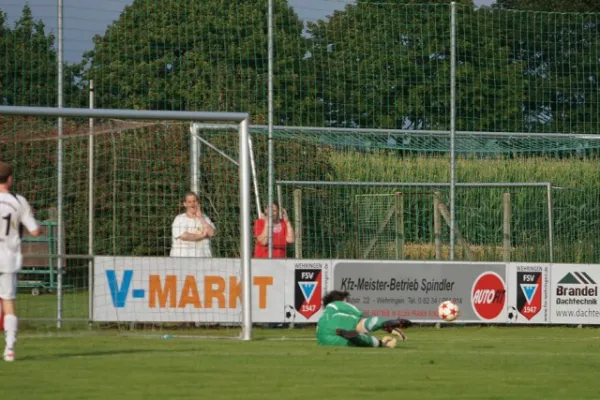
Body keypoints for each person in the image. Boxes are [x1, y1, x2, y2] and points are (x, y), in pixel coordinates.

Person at [0, 161, 41, 362]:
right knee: (8, 302)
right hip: (7, 259)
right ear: (10, 179)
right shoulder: (18, 201)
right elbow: (35, 230)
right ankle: (9, 349)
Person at [316, 290, 412, 348]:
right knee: (362, 325)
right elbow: (364, 317)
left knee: (359, 339)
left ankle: (382, 344)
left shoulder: (324, 315)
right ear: (343, 300)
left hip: (323, 339)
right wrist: (383, 324)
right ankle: (375, 340)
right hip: (337, 327)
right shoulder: (338, 304)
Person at [170, 192, 216, 257]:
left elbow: (211, 233)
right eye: (189, 202)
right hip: (182, 260)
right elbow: (184, 236)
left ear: (198, 203)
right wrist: (202, 236)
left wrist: (200, 218)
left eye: (194, 201)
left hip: (203, 260)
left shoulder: (205, 218)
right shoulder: (179, 219)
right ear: (185, 204)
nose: (192, 204)